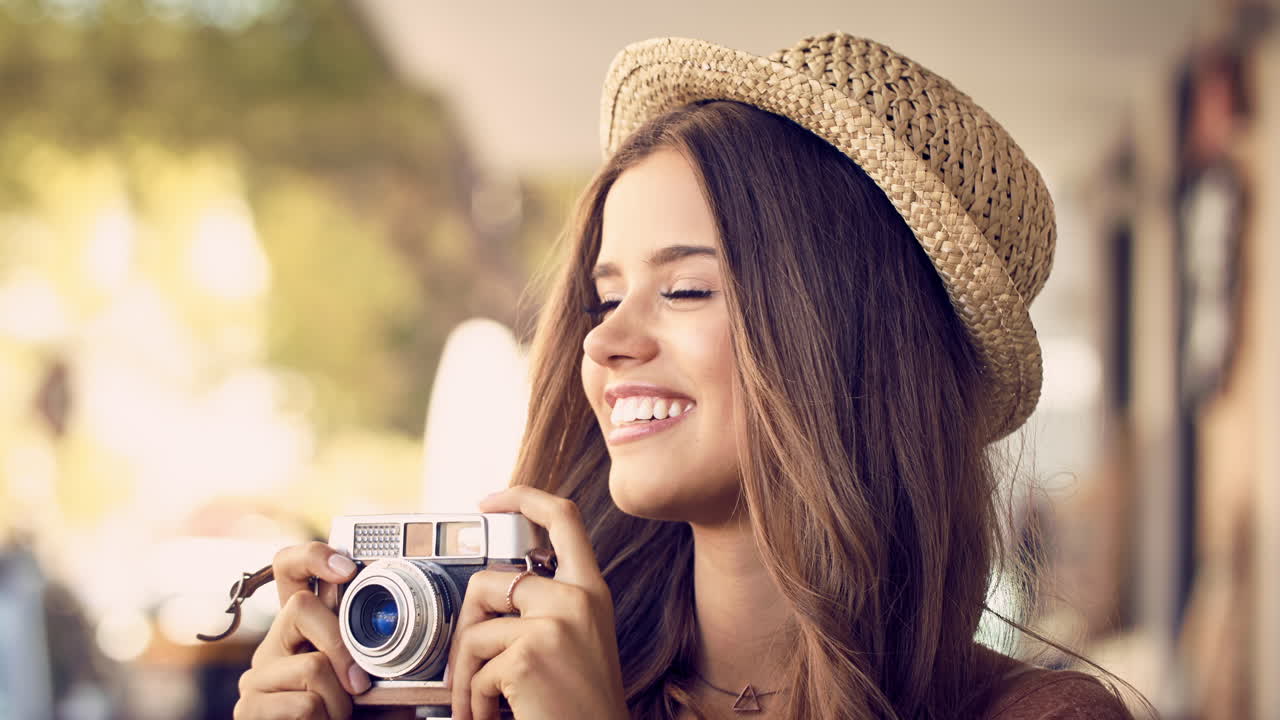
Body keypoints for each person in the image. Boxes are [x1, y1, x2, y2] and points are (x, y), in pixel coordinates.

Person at [234, 32, 1138, 720]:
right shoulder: (510, 681)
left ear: (847, 336)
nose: (606, 342)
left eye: (687, 288)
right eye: (606, 294)